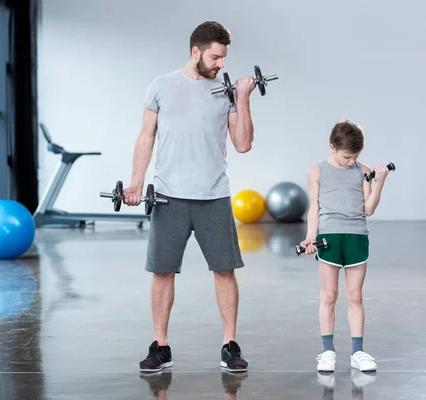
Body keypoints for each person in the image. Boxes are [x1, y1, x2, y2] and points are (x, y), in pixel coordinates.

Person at [122, 21, 256, 373]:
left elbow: (242, 144)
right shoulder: (162, 87)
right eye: (215, 57)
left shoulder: (226, 91)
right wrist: (136, 182)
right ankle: (160, 346)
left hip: (214, 195)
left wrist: (242, 99)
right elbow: (145, 138)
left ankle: (230, 344)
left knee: (225, 271)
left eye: (224, 58)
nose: (220, 65)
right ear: (196, 51)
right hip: (169, 195)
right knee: (162, 271)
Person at [299, 120, 390, 373]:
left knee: (355, 296)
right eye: (347, 156)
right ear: (332, 147)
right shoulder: (316, 170)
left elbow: (368, 209)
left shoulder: (364, 170)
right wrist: (309, 236)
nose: (352, 161)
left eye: (356, 156)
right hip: (329, 235)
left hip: (357, 236)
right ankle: (327, 351)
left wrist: (380, 182)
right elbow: (314, 207)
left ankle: (357, 352)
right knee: (328, 296)